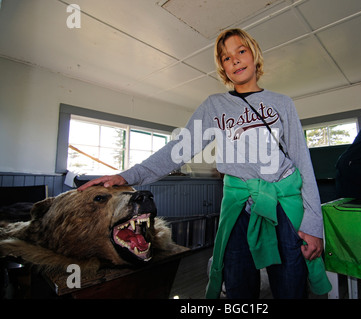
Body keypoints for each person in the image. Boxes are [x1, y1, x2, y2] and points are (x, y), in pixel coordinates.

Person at [78, 28, 330, 298]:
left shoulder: (282, 103)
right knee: (237, 284)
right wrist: (127, 176)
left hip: (283, 203)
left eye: (241, 51)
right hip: (238, 207)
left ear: (254, 55)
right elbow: (178, 149)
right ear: (222, 67)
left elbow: (303, 162)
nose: (234, 60)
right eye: (225, 57)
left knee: (291, 282)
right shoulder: (214, 106)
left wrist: (314, 225)